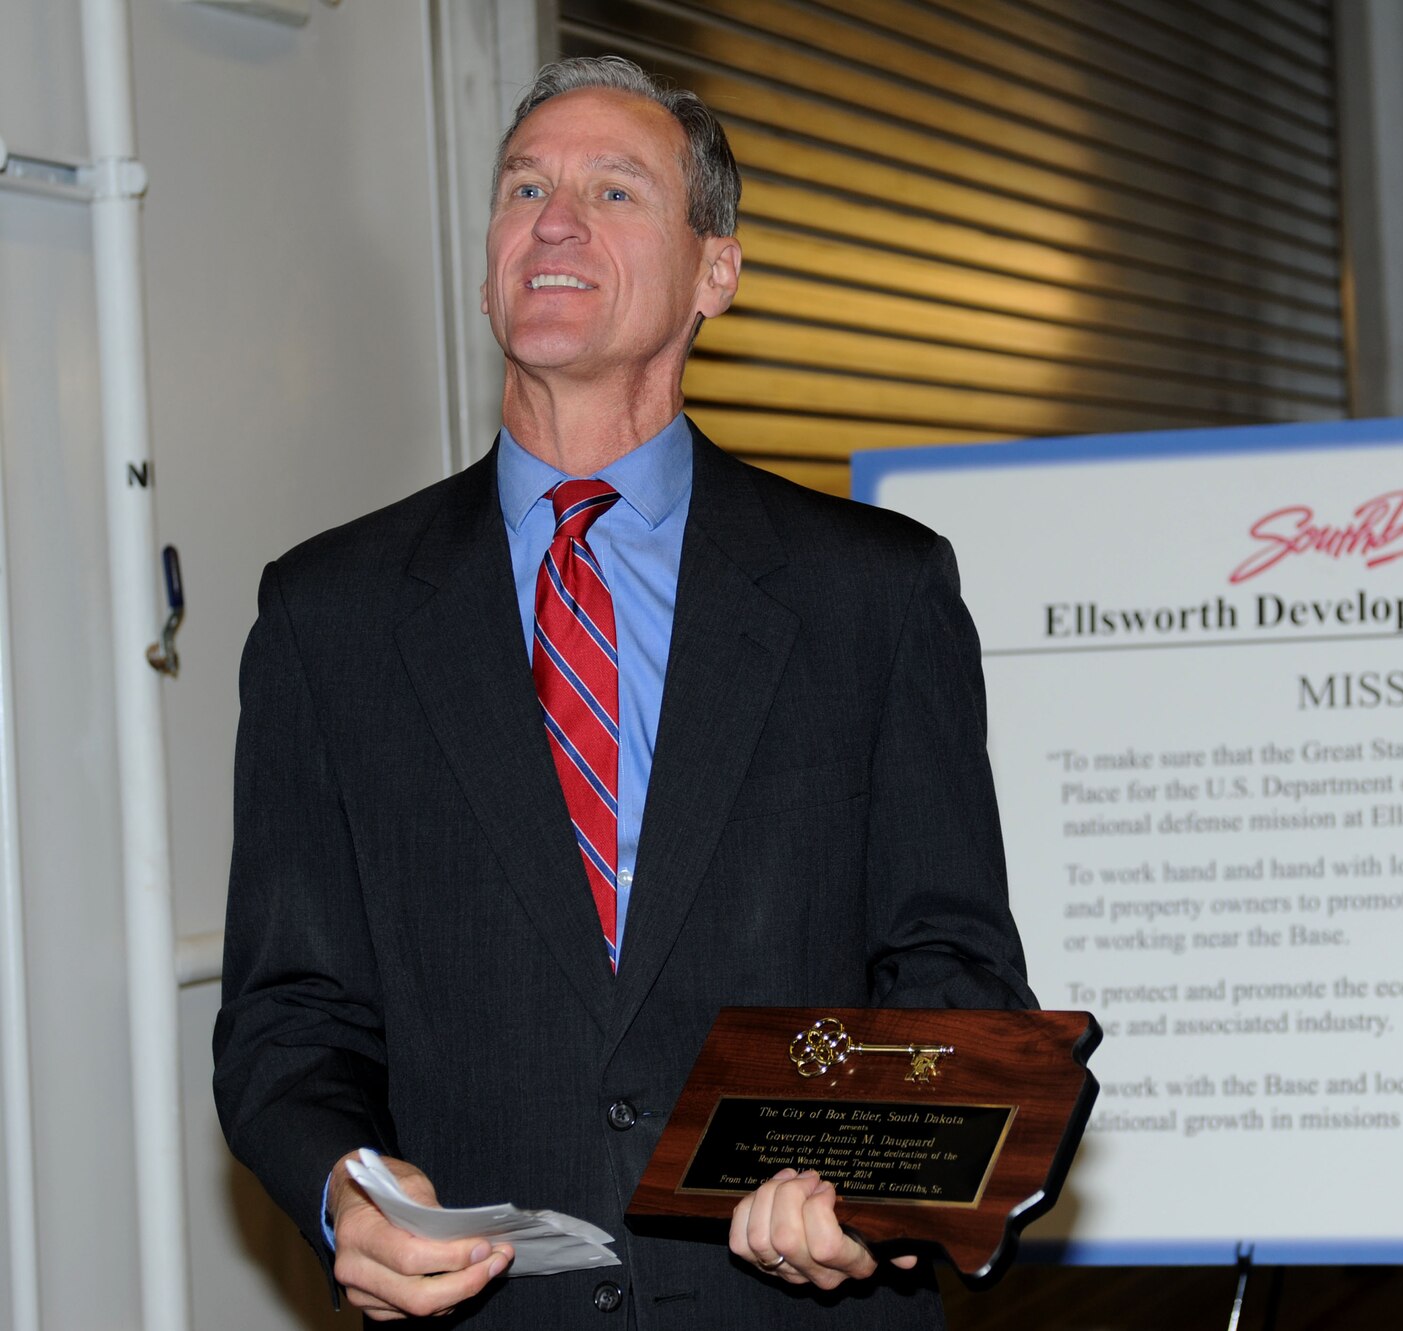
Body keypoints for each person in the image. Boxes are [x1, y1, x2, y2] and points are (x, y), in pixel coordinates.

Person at [212, 55, 1031, 1327]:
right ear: (489, 265)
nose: (553, 218)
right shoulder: (331, 615)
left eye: (613, 190)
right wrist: (346, 1188)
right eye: (524, 186)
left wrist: (872, 1191)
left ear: (717, 271)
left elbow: (951, 965)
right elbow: (289, 1016)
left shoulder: (872, 593)